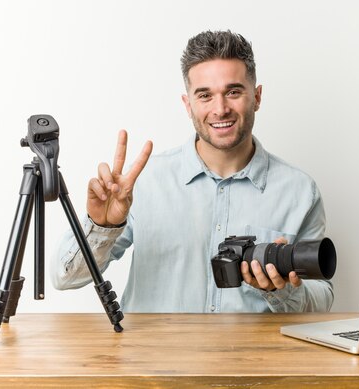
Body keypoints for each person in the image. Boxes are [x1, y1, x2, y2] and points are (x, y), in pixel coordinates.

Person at [51, 30, 334, 313]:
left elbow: (322, 301)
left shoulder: (299, 191)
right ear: (188, 105)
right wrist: (102, 227)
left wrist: (282, 291)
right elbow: (64, 278)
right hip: (155, 356)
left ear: (257, 97)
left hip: (251, 358)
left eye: (233, 92)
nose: (220, 109)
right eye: (205, 95)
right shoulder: (145, 182)